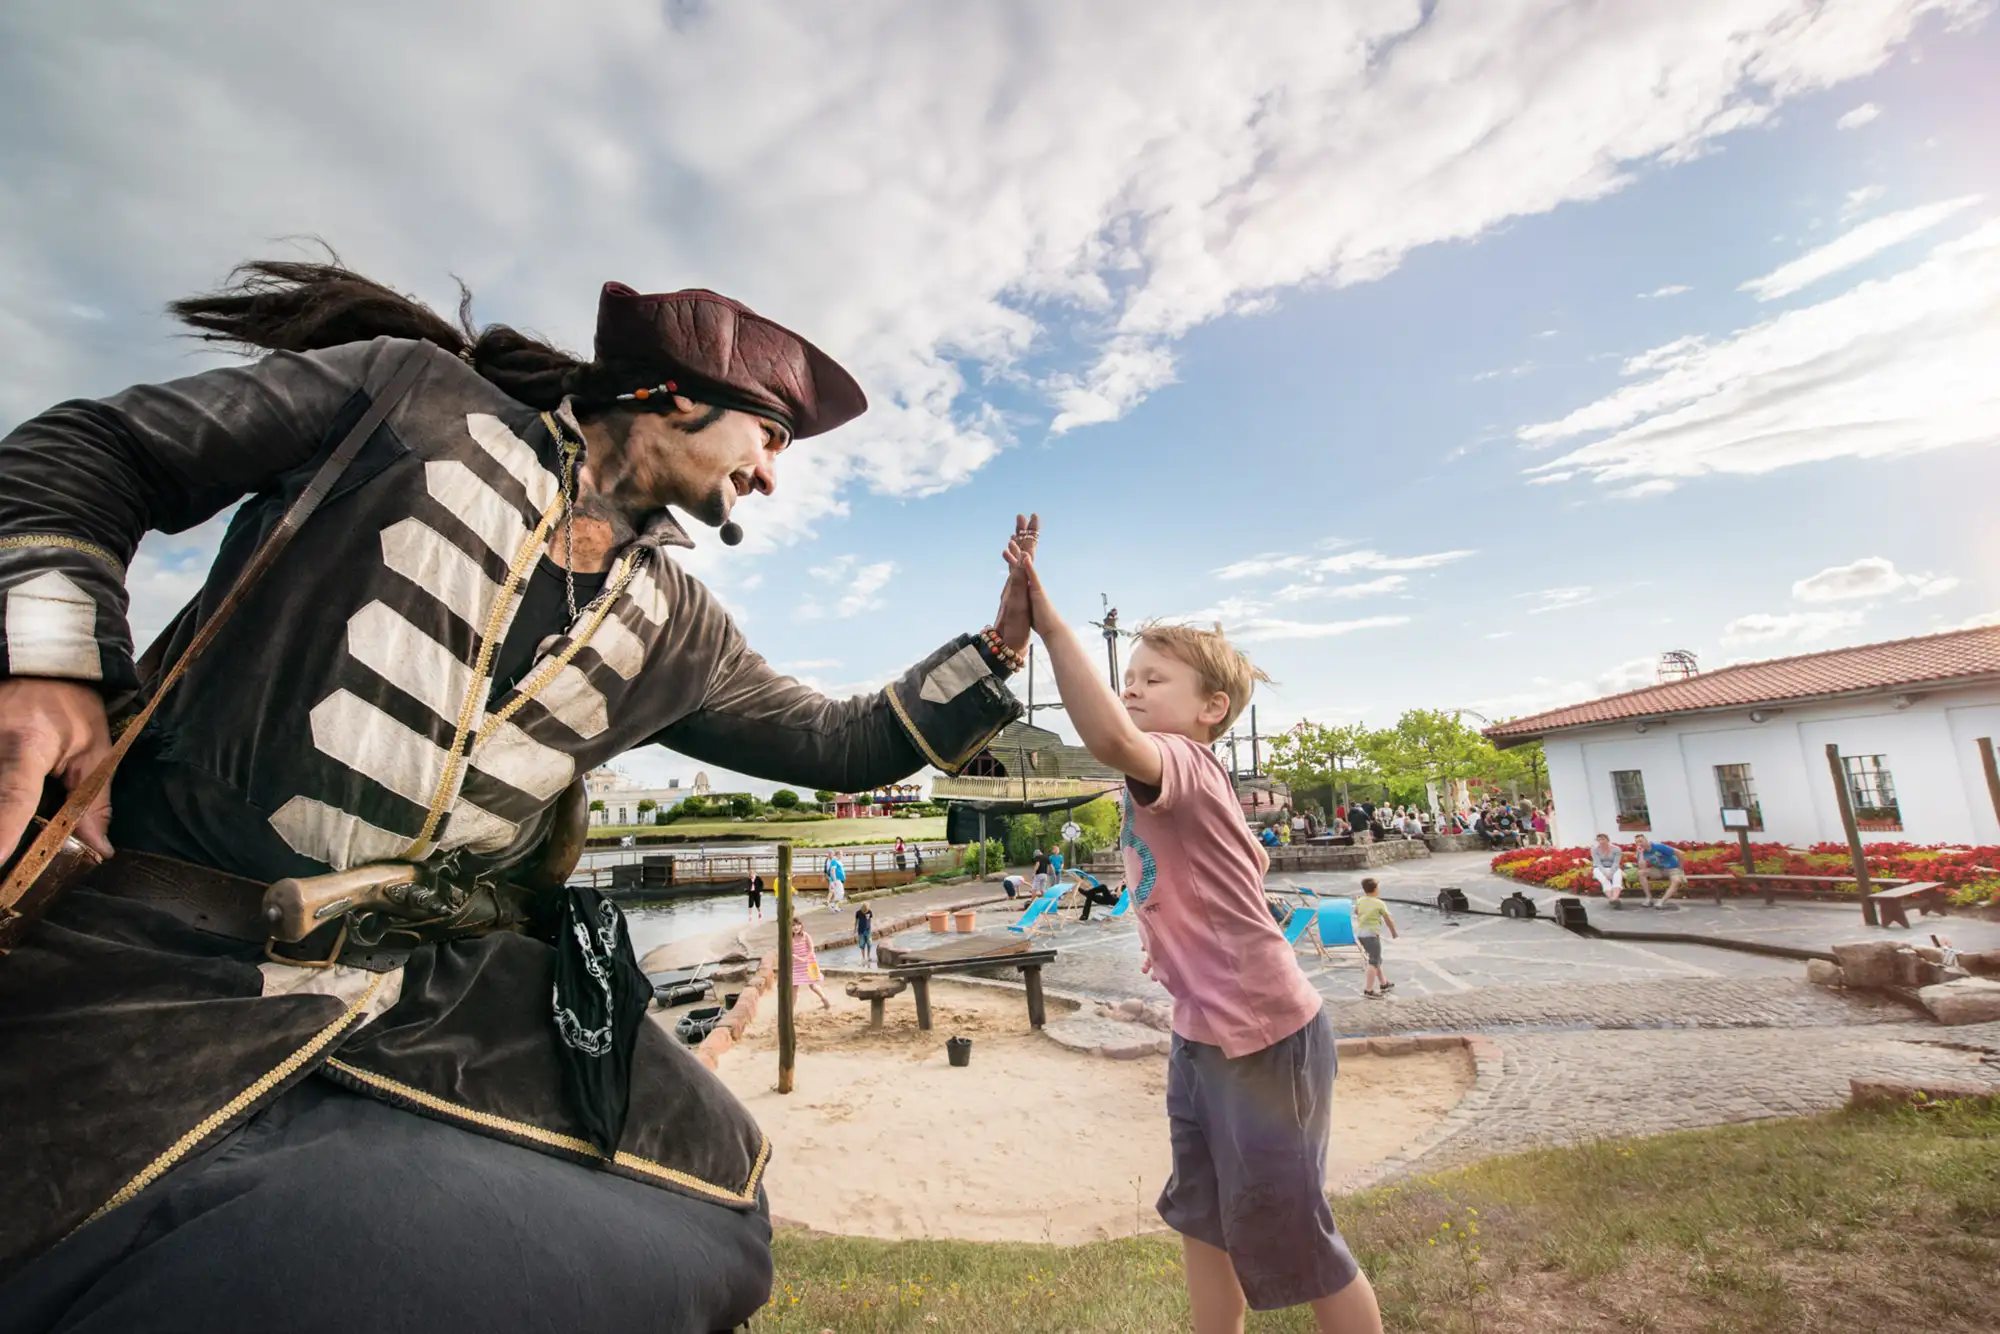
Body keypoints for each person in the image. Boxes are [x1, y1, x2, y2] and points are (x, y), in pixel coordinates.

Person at [0, 259, 1039, 1329]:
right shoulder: (405, 393)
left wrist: (1001, 647)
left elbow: (846, 739)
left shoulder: (680, 629)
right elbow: (95, 448)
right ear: (676, 395)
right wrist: (48, 664)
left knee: (704, 1202)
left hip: (426, 999)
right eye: (769, 436)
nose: (773, 475)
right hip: (160, 955)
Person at [1007, 525, 1381, 1334]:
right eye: (1128, 679)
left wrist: (1052, 626)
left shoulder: (1181, 762)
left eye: (1153, 679)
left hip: (1264, 1037)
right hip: (1202, 1034)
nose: (1133, 690)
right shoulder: (1171, 778)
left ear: (1212, 709)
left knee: (1297, 1234)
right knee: (1203, 1217)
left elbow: (1110, 736)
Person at [1353, 879, 1398, 999]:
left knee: (1377, 959)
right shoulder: (1379, 903)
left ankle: (1384, 983)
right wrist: (1393, 932)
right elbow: (1388, 920)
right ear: (1375, 890)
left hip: (1361, 934)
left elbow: (1356, 911)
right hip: (1371, 935)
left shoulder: (1360, 900)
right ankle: (1368, 990)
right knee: (1373, 962)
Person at [1632, 835, 1687, 908]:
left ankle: (1661, 901)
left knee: (1676, 881)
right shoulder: (1640, 852)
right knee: (1641, 873)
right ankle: (1649, 898)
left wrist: (1681, 869)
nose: (1640, 844)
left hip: (1673, 868)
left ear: (1646, 840)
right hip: (1659, 869)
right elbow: (1642, 868)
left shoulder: (1658, 846)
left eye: (1641, 841)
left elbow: (1680, 853)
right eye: (1637, 842)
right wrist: (1641, 853)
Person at [791, 919, 832, 1010]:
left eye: (797, 925)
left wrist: (805, 959)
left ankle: (824, 1000)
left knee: (812, 985)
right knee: (794, 987)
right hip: (797, 965)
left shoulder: (805, 935)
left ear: (801, 925)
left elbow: (811, 949)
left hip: (808, 963)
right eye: (793, 925)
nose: (795, 927)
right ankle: (791, 1010)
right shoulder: (790, 938)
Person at [1590, 835, 1625, 907]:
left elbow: (1616, 863)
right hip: (1599, 868)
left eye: (1603, 839)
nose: (1601, 842)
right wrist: (1605, 873)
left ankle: (1614, 898)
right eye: (1599, 840)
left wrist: (1611, 872)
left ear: (1607, 840)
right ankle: (1612, 899)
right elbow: (1598, 863)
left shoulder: (1616, 849)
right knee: (1605, 881)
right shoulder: (1594, 849)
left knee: (1617, 879)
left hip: (1613, 868)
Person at [854, 903, 876, 969]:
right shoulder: (858, 913)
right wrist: (855, 929)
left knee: (869, 943)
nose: (866, 911)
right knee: (862, 944)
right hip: (860, 931)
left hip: (868, 930)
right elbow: (856, 921)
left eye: (866, 910)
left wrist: (870, 928)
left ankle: (868, 956)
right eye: (865, 910)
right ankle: (863, 957)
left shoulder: (869, 912)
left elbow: (870, 920)